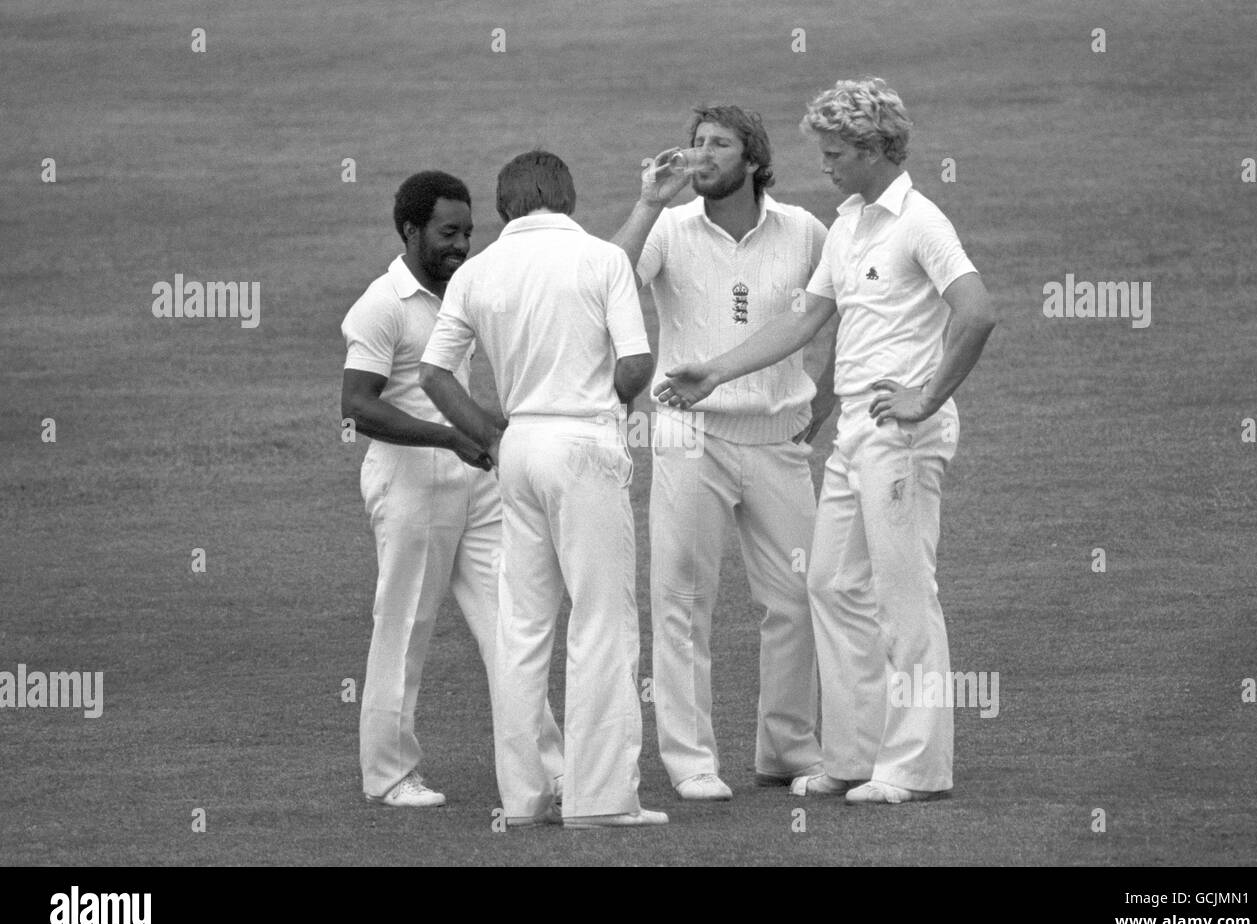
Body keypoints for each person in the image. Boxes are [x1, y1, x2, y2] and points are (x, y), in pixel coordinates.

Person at [655, 78, 996, 805]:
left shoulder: (920, 223)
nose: (827, 165)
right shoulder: (847, 226)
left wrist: (928, 396)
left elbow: (977, 312)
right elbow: (803, 322)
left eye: (837, 152)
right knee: (830, 584)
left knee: (905, 597)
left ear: (875, 149)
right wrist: (713, 371)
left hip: (903, 437)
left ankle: (914, 768)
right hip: (854, 441)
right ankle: (850, 756)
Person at [420, 151, 666, 828]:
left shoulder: (477, 270)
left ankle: (525, 799)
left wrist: (491, 435)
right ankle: (602, 800)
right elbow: (636, 363)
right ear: (568, 196)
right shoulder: (601, 260)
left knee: (523, 628)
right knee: (602, 623)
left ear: (505, 206)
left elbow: (435, 374)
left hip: (518, 447)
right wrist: (612, 401)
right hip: (583, 443)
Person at [611, 106, 834, 801]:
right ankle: (690, 761)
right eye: (695, 142)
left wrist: (823, 401)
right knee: (681, 599)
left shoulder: (803, 230)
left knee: (798, 598)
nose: (701, 155)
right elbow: (603, 281)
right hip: (686, 435)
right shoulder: (669, 229)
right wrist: (648, 203)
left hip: (778, 440)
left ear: (753, 158)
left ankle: (788, 750)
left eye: (718, 145)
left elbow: (844, 312)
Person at [341, 170, 564, 808]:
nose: (461, 244)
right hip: (411, 485)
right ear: (410, 229)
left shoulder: (463, 289)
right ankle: (388, 775)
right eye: (447, 232)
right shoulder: (381, 304)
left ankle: (551, 768)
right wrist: (446, 439)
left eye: (468, 231)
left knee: (511, 625)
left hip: (476, 481)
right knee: (405, 624)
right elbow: (356, 407)